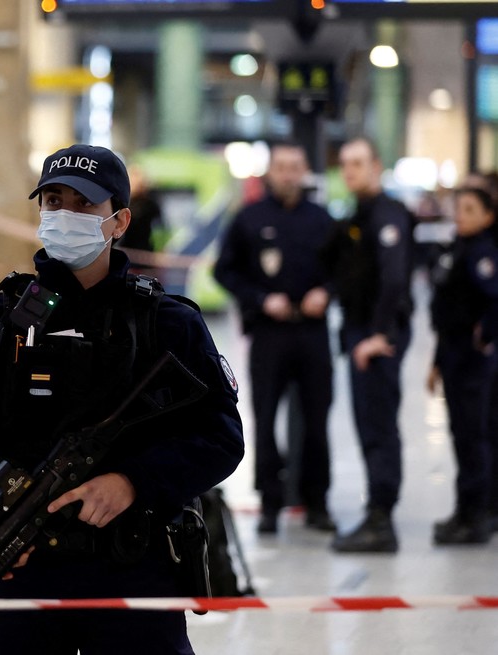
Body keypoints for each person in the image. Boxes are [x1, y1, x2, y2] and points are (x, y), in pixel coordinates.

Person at [0, 144, 243, 653]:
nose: (65, 215)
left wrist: (133, 482)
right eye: (53, 201)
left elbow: (221, 436)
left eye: (84, 205)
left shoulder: (168, 324)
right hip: (18, 568)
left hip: (134, 565)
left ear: (119, 220)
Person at [213, 142, 336, 535]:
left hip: (313, 333)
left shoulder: (322, 219)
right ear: (271, 173)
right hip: (269, 334)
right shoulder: (249, 218)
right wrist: (261, 299)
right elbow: (224, 271)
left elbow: (347, 269)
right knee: (264, 420)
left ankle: (316, 501)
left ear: (304, 172)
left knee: (317, 420)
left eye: (294, 166)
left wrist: (327, 292)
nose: (287, 174)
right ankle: (270, 501)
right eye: (281, 167)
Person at [321, 137, 414, 554]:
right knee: (367, 422)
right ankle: (377, 511)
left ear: (377, 165)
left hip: (377, 337)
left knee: (377, 424)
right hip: (359, 331)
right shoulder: (357, 214)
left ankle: (381, 518)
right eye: (345, 164)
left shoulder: (388, 214)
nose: (351, 171)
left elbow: (395, 280)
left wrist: (380, 335)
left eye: (358, 163)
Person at [425, 186, 498, 544]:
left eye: (470, 209)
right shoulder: (456, 248)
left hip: (471, 360)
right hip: (452, 353)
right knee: (461, 435)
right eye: (459, 208)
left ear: (488, 216)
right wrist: (436, 362)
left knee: (473, 437)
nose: (461, 215)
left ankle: (476, 515)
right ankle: (465, 510)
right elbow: (445, 311)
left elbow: (494, 300)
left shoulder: (483, 251)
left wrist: (484, 337)